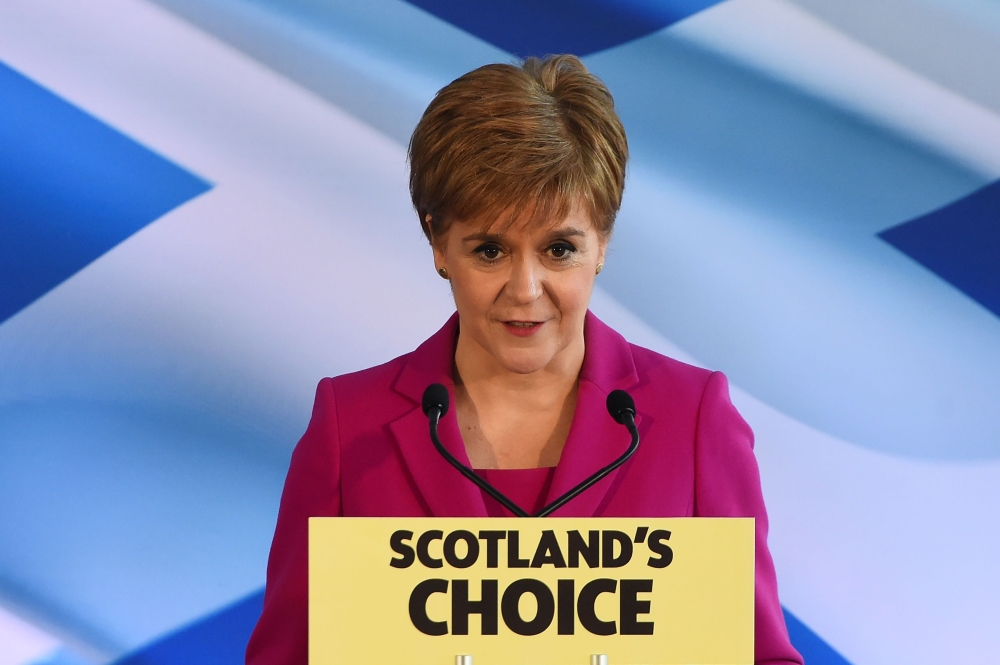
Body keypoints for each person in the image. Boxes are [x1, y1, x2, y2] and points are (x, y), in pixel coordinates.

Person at [245, 55, 803, 665]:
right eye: (489, 250)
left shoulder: (692, 419)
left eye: (559, 249)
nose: (526, 288)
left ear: (603, 244)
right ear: (437, 243)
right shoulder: (351, 426)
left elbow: (760, 656)